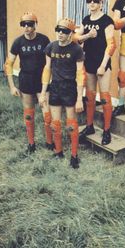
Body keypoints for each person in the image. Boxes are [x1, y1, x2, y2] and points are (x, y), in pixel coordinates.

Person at [39, 18, 85, 169]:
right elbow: (47, 70)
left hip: (70, 88)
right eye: (58, 30)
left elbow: (80, 74)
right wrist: (43, 92)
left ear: (71, 33)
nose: (60, 33)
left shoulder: (76, 49)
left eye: (64, 31)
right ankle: (58, 151)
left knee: (71, 124)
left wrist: (79, 98)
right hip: (55, 88)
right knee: (55, 124)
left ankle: (74, 155)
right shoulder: (51, 47)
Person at [4, 12, 53, 153]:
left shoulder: (44, 40)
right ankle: (31, 144)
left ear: (35, 25)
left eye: (30, 24)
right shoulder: (18, 42)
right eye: (23, 24)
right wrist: (12, 86)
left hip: (42, 81)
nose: (26, 27)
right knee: (28, 113)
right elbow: (9, 64)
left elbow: (50, 62)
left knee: (47, 113)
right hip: (26, 81)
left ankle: (50, 142)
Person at [76, 0, 116, 145]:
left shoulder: (107, 21)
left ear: (101, 3)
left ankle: (106, 130)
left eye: (95, 1)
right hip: (89, 61)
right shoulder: (86, 20)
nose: (92, 3)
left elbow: (111, 45)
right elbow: (77, 39)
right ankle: (90, 126)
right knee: (90, 97)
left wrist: (103, 65)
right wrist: (88, 35)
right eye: (89, 1)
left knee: (105, 97)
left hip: (102, 63)